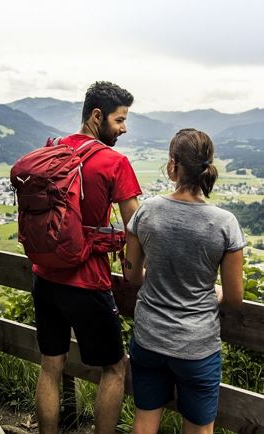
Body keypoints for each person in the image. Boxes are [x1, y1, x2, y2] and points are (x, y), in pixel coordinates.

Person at [31, 81, 142, 434]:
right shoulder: (115, 162)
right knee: (114, 369)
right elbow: (137, 227)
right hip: (87, 281)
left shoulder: (53, 149)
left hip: (45, 276)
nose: (124, 129)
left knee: (51, 365)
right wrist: (136, 268)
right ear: (97, 115)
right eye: (120, 120)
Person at [124, 128, 246, 434]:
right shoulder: (224, 223)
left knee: (144, 421)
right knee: (199, 429)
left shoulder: (147, 212)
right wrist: (213, 292)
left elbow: (131, 275)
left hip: (149, 338)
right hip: (196, 347)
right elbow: (234, 298)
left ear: (172, 165)